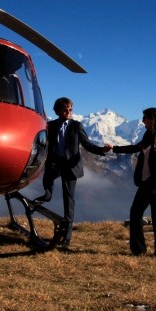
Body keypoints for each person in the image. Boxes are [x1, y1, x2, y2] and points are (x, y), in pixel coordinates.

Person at [37, 97, 111, 249]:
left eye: (70, 109)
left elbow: (87, 144)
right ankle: (47, 195)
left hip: (71, 165)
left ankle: (67, 238)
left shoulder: (76, 126)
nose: (68, 112)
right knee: (47, 178)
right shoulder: (50, 125)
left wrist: (101, 150)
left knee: (68, 200)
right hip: (55, 163)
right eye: (65, 109)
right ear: (57, 111)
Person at [111, 107, 156, 256]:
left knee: (148, 214)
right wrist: (114, 149)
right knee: (150, 214)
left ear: (153, 118)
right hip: (146, 181)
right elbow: (135, 148)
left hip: (154, 183)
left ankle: (151, 250)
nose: (143, 120)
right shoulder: (148, 134)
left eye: (145, 117)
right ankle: (152, 250)